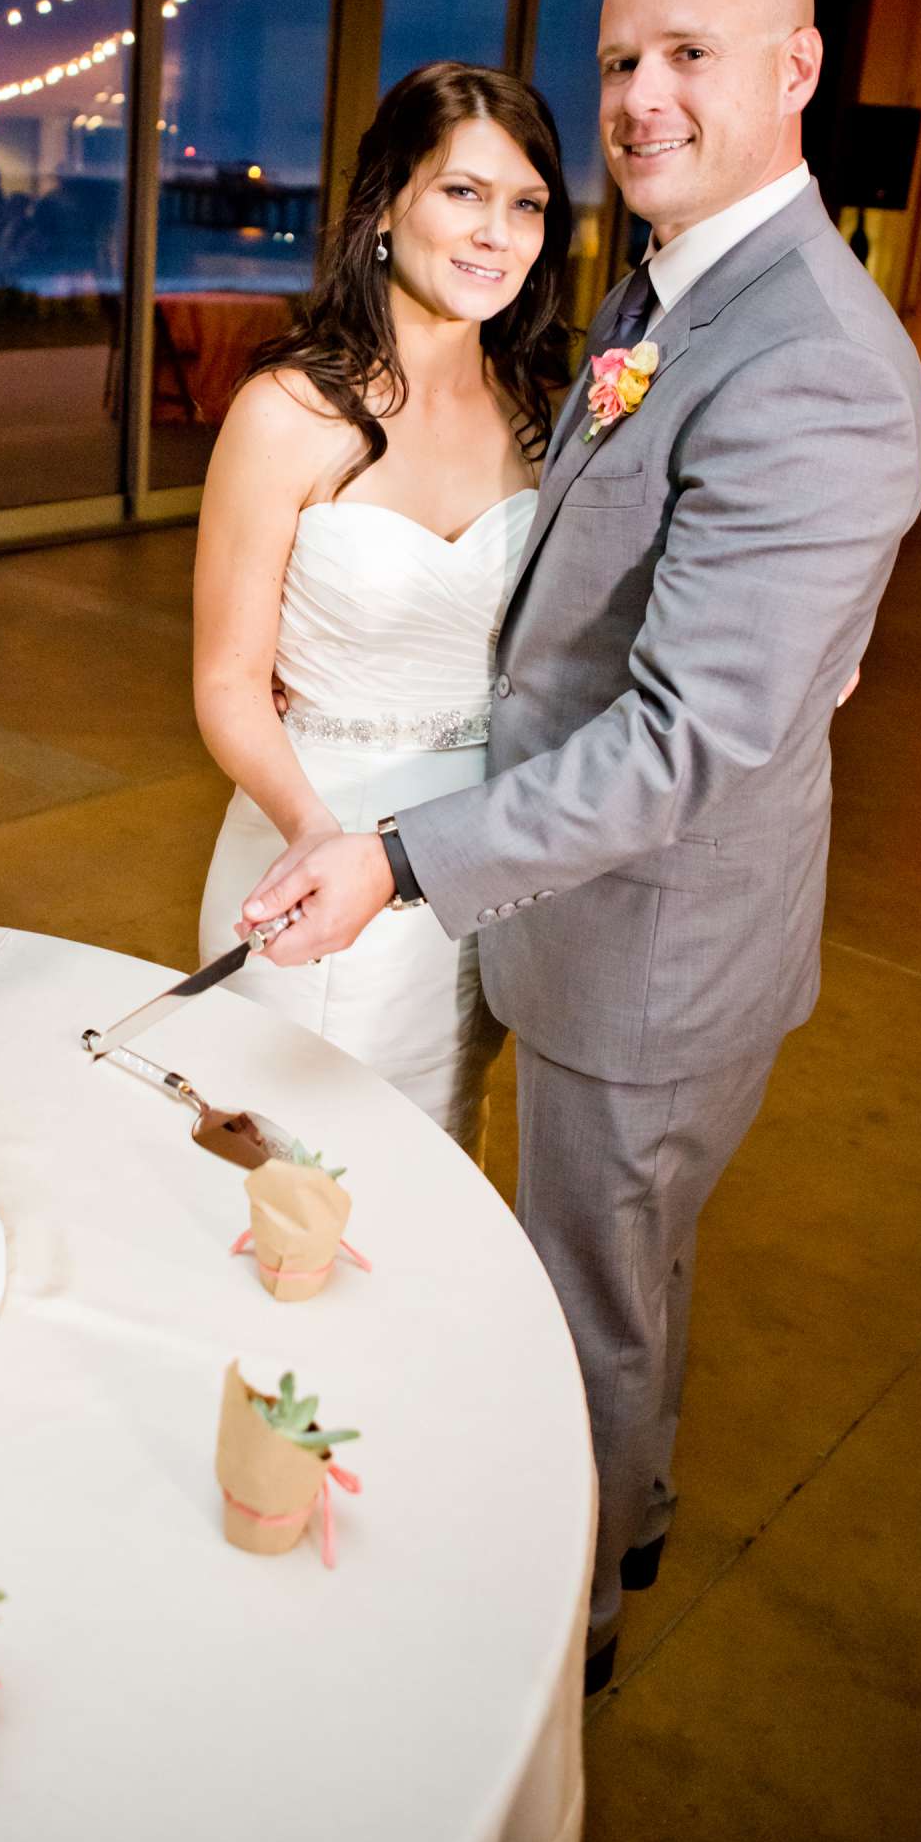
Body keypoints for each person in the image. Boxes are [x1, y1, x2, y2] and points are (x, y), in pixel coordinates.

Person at [237, 0, 921, 1691]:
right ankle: (621, 1517)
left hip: (652, 930)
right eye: (620, 59)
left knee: (585, 1292)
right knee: (616, 1265)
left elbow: (690, 735)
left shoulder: (816, 358)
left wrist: (399, 854)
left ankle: (568, 1631)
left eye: (689, 56)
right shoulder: (658, 291)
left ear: (796, 74)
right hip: (558, 886)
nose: (637, 98)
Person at [195, 64, 571, 1139]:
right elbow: (227, 682)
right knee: (297, 1167)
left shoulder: (537, 416)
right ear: (387, 202)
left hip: (486, 854)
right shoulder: (285, 414)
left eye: (526, 203)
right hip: (320, 830)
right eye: (462, 192)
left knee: (446, 1151)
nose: (495, 233)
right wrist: (321, 839)